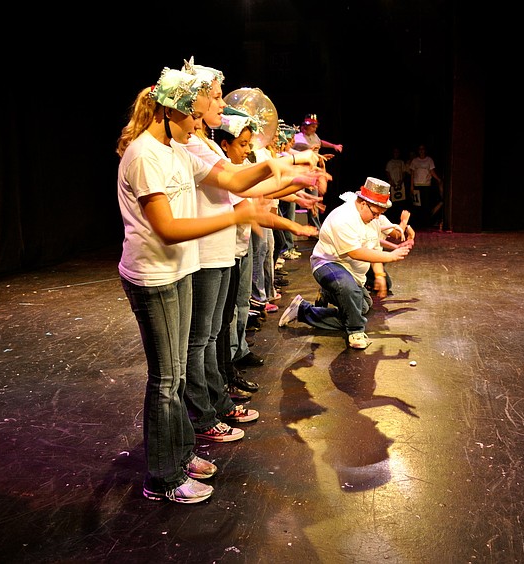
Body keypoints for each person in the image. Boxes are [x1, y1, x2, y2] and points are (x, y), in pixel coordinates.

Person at [116, 63, 289, 503]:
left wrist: (286, 166)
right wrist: (237, 215)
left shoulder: (176, 149)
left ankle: (180, 453)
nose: (199, 122)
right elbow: (167, 229)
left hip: (178, 272)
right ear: (169, 111)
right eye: (193, 113)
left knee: (174, 377)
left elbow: (230, 178)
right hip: (154, 277)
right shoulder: (144, 155)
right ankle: (164, 478)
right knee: (167, 380)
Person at [179, 66, 324, 444]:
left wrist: (293, 173)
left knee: (213, 335)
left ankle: (216, 398)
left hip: (222, 250)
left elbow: (241, 182)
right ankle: (204, 411)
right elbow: (238, 183)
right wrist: (289, 165)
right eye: (214, 95)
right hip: (206, 254)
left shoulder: (206, 145)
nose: (219, 102)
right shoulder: (190, 146)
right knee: (201, 341)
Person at [278, 178, 411, 350]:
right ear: (363, 203)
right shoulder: (344, 217)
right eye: (375, 213)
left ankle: (304, 310)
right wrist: (391, 257)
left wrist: (380, 273)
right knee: (351, 298)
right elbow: (355, 252)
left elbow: (383, 241)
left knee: (361, 308)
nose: (378, 217)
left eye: (380, 214)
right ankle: (355, 332)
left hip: (353, 272)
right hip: (328, 264)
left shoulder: (373, 218)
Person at [291, 113, 341, 230]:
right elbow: (290, 150)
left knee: (314, 199)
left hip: (313, 171)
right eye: (312, 126)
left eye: (315, 126)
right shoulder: (298, 137)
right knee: (296, 198)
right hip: (301, 171)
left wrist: (333, 146)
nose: (315, 128)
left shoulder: (314, 136)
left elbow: (320, 142)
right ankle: (292, 227)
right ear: (305, 126)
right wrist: (311, 151)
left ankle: (316, 227)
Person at [408, 144, 444, 229]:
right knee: (417, 206)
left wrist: (438, 179)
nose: (421, 151)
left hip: (426, 185)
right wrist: (411, 186)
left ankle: (426, 224)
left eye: (423, 149)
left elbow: (431, 171)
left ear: (425, 150)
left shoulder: (429, 160)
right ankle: (418, 224)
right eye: (420, 149)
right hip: (417, 185)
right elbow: (412, 174)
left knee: (426, 205)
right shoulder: (415, 161)